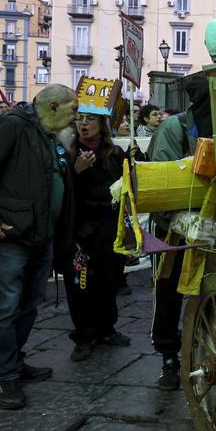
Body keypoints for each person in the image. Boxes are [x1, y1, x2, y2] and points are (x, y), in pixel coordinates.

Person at [0, 84, 77, 410]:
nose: (77, 116)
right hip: (11, 237)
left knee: (28, 304)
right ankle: (4, 375)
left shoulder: (47, 135)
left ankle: (12, 362)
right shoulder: (12, 127)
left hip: (40, 236)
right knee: (6, 307)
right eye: (73, 109)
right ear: (53, 106)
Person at [146, 73, 212, 389]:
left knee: (203, 290)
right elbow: (162, 181)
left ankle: (200, 347)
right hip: (171, 229)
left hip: (209, 227)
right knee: (168, 292)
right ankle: (168, 356)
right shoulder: (174, 128)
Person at [63, 111, 132, 362]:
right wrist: (76, 171)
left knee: (109, 279)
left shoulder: (115, 154)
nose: (83, 123)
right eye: (80, 118)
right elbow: (63, 192)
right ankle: (83, 335)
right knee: (80, 283)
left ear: (102, 125)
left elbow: (125, 187)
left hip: (108, 229)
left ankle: (106, 328)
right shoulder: (67, 155)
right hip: (80, 231)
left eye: (90, 119)